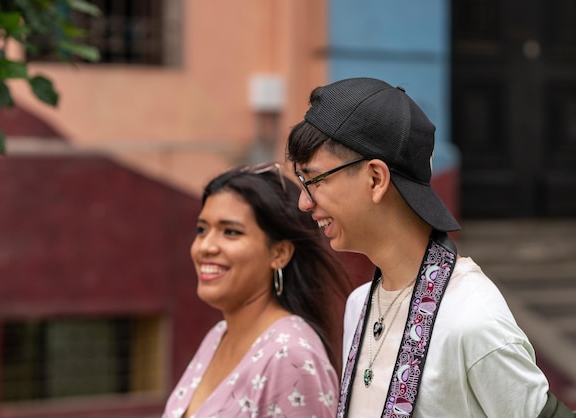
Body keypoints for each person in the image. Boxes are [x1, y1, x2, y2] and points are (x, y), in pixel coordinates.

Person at [285, 77, 573, 417]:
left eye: (314, 180)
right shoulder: (360, 304)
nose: (304, 202)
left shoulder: (471, 319)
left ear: (375, 179)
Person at [162, 163, 354, 418]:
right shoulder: (218, 337)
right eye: (202, 230)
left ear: (279, 253)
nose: (205, 246)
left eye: (231, 232)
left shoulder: (289, 356)